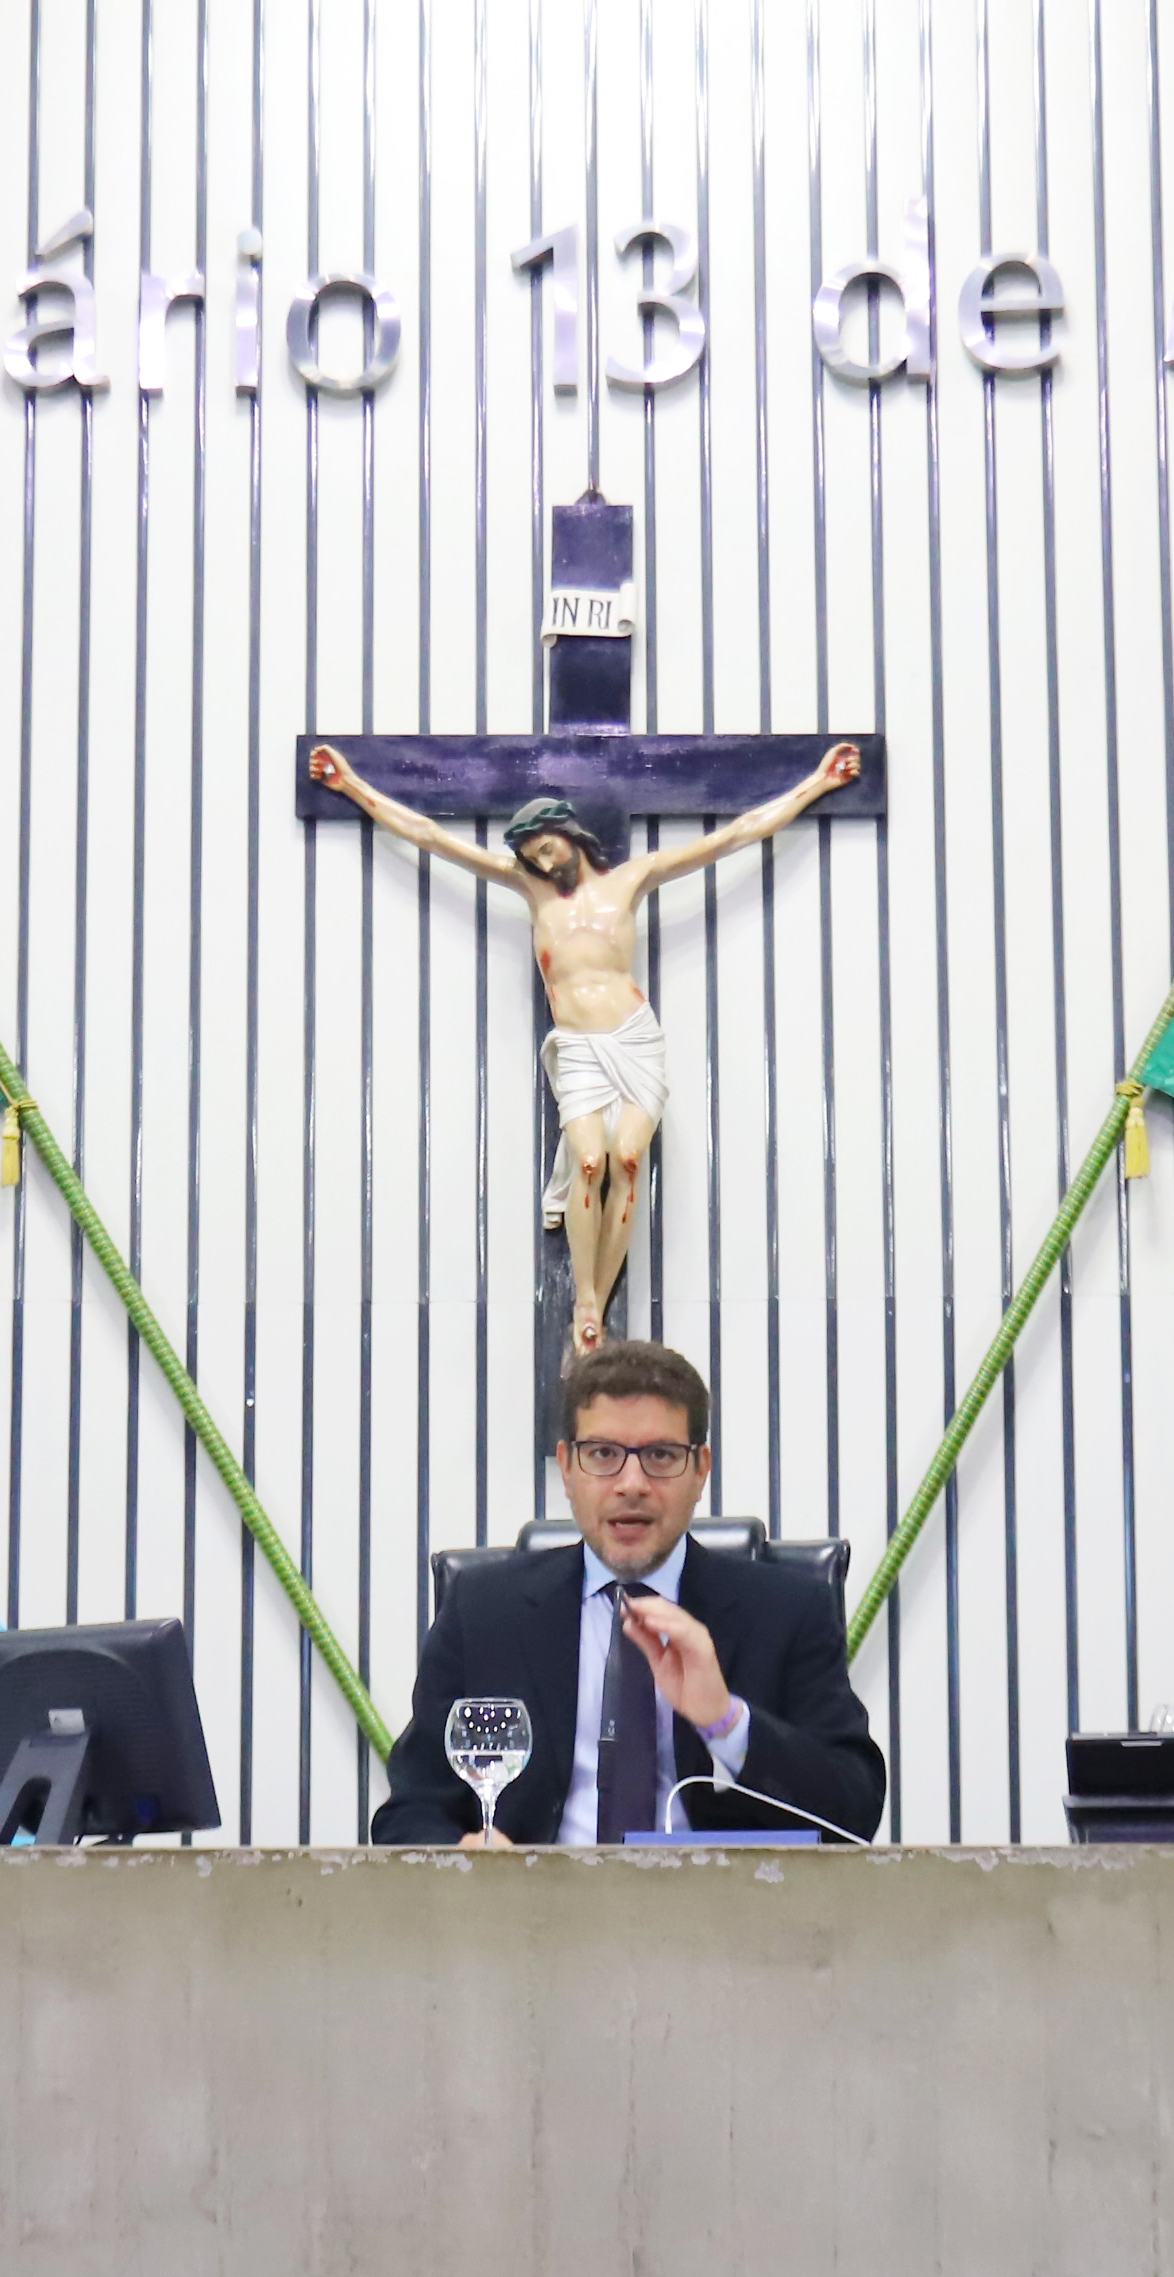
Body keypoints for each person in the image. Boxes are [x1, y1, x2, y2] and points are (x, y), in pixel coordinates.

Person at [306, 740, 863, 1362]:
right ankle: (587, 1301)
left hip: (633, 1038)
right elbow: (430, 836)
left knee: (628, 1160)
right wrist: (351, 785)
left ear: (570, 835)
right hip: (576, 1046)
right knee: (590, 1162)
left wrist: (817, 783)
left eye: (547, 848)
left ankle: (595, 1298)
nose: (542, 862)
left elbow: (737, 834)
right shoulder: (530, 890)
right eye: (532, 856)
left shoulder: (632, 879)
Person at [376, 1339, 886, 1845]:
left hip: (720, 1893)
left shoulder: (788, 1610)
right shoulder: (483, 1612)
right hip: (536, 1894)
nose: (632, 1484)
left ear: (701, 1470)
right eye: (603, 1454)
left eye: (661, 1455)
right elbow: (410, 1813)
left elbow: (854, 1815)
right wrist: (461, 1855)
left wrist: (726, 1722)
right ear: (567, 1468)